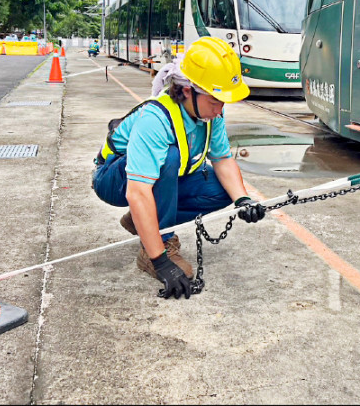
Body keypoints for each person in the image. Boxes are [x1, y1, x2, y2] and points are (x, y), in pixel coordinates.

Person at [91, 36, 266, 299]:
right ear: (187, 91)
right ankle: (155, 247)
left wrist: (242, 200)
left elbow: (222, 159)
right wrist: (161, 261)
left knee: (224, 190)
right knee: (169, 157)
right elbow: (138, 192)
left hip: (152, 181)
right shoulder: (156, 119)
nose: (220, 110)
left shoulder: (209, 112)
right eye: (215, 100)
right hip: (113, 178)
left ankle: (141, 221)